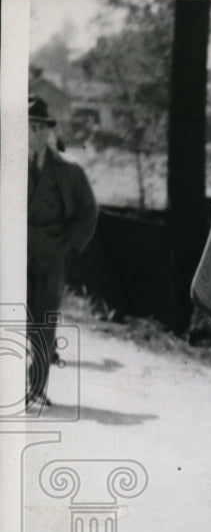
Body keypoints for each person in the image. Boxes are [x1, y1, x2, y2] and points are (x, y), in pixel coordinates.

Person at [26, 95, 98, 407]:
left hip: (51, 256)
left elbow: (88, 211)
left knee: (44, 322)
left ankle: (36, 387)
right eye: (28, 127)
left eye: (39, 127)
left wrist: (67, 244)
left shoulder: (68, 173)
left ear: (48, 132)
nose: (34, 133)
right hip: (14, 254)